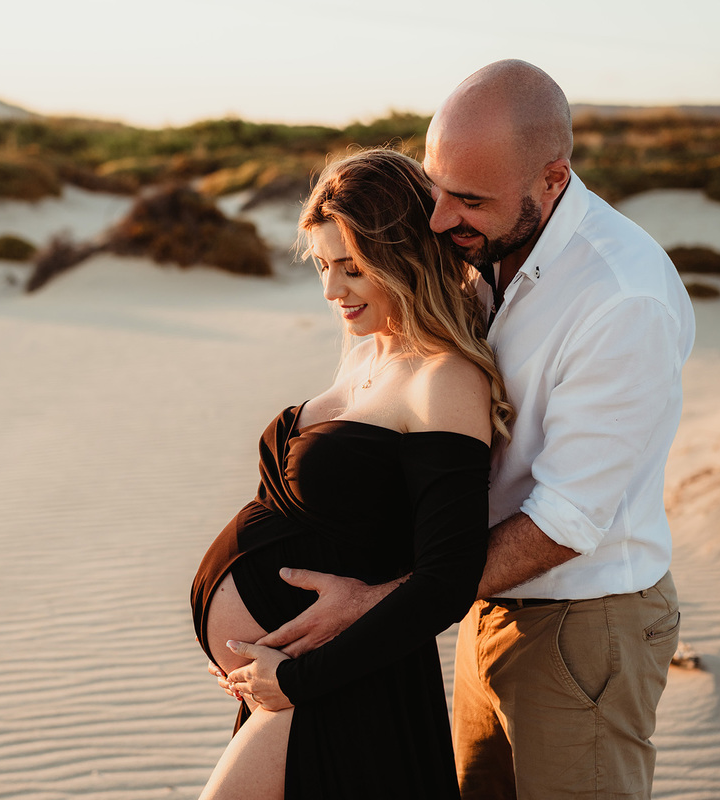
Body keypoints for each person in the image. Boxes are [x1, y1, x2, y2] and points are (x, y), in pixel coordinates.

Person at [225, 60, 696, 800]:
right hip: (478, 606)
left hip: (578, 622)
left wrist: (385, 601)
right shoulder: (479, 248)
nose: (442, 220)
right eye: (437, 189)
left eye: (469, 201)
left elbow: (566, 521)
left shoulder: (621, 298)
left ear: (552, 181)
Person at [190, 147, 513, 799]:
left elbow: (447, 580)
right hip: (292, 682)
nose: (333, 291)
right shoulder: (369, 352)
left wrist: (296, 682)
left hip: (336, 685)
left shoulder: (446, 379)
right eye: (324, 267)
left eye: (352, 268)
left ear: (404, 259)